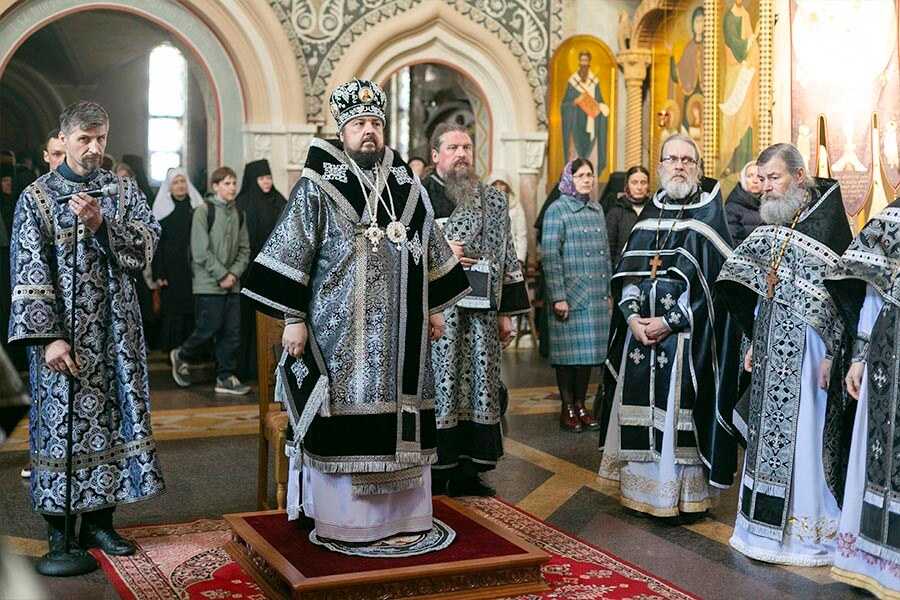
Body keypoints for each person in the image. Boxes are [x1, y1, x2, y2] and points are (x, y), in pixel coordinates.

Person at [241, 79, 470, 542]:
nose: (369, 131)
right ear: (342, 130)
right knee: (343, 416)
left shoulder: (405, 182)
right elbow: (292, 251)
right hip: (337, 332)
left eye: (375, 124)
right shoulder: (318, 185)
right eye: (359, 124)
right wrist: (293, 318)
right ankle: (344, 520)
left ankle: (400, 520)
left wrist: (435, 309)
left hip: (403, 335)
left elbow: (427, 243)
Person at [7, 101, 165, 574]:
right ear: (65, 138)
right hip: (64, 341)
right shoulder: (36, 198)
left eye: (101, 139)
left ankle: (100, 522)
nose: (94, 148)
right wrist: (49, 338)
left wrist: (102, 224)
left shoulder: (122, 190)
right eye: (84, 140)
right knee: (61, 433)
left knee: (113, 421)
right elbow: (28, 271)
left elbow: (147, 245)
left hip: (116, 334)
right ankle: (59, 535)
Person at [716, 142, 851, 566]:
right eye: (762, 180)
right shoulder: (771, 222)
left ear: (799, 175)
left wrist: (835, 354)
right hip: (772, 348)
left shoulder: (827, 223)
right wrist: (754, 340)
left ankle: (806, 534)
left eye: (774, 178)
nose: (766, 188)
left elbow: (843, 300)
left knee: (806, 439)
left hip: (812, 357)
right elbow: (760, 293)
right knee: (768, 440)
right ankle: (761, 531)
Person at [599, 133, 740, 518]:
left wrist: (668, 321)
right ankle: (642, 493)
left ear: (697, 168)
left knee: (677, 419)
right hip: (640, 339)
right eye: (672, 159)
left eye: (687, 160)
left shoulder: (709, 217)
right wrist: (631, 319)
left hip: (683, 345)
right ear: (660, 166)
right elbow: (628, 274)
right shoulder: (647, 217)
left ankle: (679, 497)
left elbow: (715, 290)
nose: (679, 166)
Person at [429, 123, 531, 497]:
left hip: (483, 315)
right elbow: (400, 255)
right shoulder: (417, 200)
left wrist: (506, 314)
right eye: (453, 147)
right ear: (435, 155)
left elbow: (507, 256)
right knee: (443, 390)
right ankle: (438, 469)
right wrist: (441, 253)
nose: (461, 154)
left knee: (480, 388)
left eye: (467, 147)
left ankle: (472, 468)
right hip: (438, 315)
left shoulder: (493, 200)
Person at [826, 197, 900, 595]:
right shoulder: (892, 217)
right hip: (888, 357)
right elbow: (873, 293)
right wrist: (858, 357)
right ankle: (872, 557)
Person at [541, 158, 611, 433]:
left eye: (590, 175)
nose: (587, 180)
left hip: (594, 296)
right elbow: (549, 256)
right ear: (570, 178)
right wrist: (558, 296)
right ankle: (567, 406)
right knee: (567, 357)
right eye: (581, 175)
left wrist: (607, 294)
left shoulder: (596, 209)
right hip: (570, 295)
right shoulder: (557, 210)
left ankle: (582, 404)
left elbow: (605, 254)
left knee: (588, 357)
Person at [170, 167, 251, 395]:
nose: (232, 187)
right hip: (208, 284)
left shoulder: (239, 213)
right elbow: (200, 251)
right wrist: (222, 275)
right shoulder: (203, 211)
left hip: (232, 284)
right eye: (226, 183)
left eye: (234, 183)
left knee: (232, 333)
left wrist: (233, 274)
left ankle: (225, 377)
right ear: (215, 186)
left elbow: (245, 249)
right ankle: (182, 354)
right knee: (209, 328)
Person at [236, 158, 287, 379]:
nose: (267, 182)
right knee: (250, 321)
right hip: (250, 272)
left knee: (274, 321)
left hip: (275, 273)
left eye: (269, 178)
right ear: (253, 180)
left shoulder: (279, 200)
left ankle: (274, 369)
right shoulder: (243, 203)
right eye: (262, 178)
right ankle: (249, 368)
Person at [151, 168, 204, 352]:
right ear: (169, 187)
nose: (180, 186)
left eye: (182, 182)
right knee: (174, 311)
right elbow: (157, 245)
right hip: (170, 269)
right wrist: (159, 273)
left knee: (192, 309)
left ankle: (191, 352)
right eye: (175, 183)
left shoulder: (196, 207)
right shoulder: (162, 210)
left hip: (193, 266)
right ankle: (173, 352)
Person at [605, 166, 650, 266]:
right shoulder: (616, 212)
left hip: (649, 271)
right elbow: (609, 249)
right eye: (634, 182)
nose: (639, 187)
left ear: (648, 186)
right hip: (624, 272)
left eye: (643, 182)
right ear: (627, 186)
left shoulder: (654, 210)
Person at [488, 171, 527, 265]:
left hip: (511, 257)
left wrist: (520, 259)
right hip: (489, 258)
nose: (498, 188)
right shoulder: (484, 206)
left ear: (508, 187)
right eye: (495, 184)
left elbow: (521, 235)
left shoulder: (516, 206)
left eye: (502, 184)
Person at [725, 161, 763, 247]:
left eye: (759, 177)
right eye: (750, 176)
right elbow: (731, 241)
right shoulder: (732, 208)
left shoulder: (771, 206)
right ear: (743, 180)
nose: (755, 180)